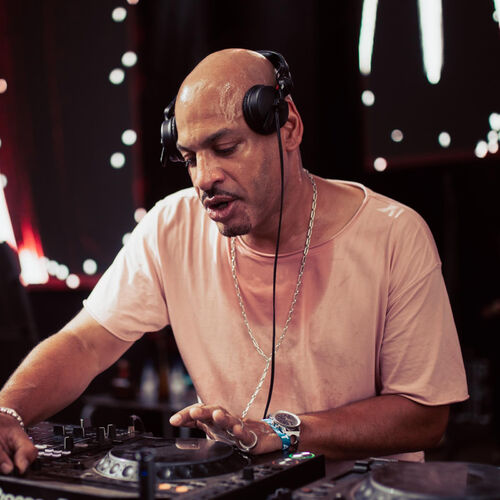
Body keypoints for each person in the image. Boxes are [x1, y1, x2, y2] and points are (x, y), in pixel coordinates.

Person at [0, 48, 468, 475]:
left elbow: (425, 415)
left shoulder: (394, 234)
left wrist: (282, 431)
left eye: (224, 149)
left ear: (288, 127)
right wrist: (7, 411)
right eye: (190, 158)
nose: (204, 178)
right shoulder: (170, 226)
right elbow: (85, 343)